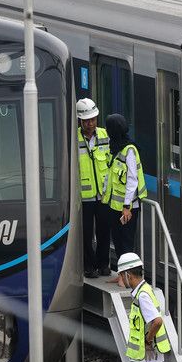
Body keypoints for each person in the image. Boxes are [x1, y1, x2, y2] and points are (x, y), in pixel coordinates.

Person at [76, 98, 113, 278]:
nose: (90, 124)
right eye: (86, 120)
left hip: (103, 195)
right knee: (86, 234)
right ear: (80, 121)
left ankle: (103, 264)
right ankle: (89, 266)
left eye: (93, 119)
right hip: (84, 197)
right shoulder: (73, 139)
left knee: (104, 231)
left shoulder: (105, 136)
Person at [102, 114, 146, 258]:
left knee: (127, 243)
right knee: (118, 240)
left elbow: (132, 180)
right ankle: (121, 275)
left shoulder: (129, 150)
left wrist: (127, 206)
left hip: (127, 207)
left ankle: (127, 277)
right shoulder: (113, 147)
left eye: (109, 128)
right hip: (114, 206)